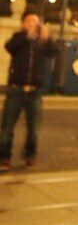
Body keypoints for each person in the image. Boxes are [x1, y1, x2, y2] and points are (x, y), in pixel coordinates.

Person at [0, 9, 57, 170]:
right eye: (30, 21)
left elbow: (54, 52)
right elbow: (10, 47)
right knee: (7, 127)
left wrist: (47, 38)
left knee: (34, 128)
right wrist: (26, 35)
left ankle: (30, 155)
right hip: (16, 89)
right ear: (23, 24)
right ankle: (4, 157)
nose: (33, 24)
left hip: (35, 90)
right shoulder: (18, 38)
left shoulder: (42, 41)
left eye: (35, 21)